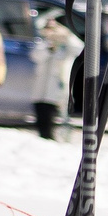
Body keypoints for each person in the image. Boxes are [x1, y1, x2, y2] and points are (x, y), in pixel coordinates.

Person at [30, 11, 84, 139]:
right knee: (41, 115)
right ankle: (44, 138)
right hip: (41, 87)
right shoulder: (45, 42)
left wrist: (66, 35)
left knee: (60, 116)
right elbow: (35, 55)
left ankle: (61, 139)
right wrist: (50, 46)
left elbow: (79, 49)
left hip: (58, 86)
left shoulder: (69, 43)